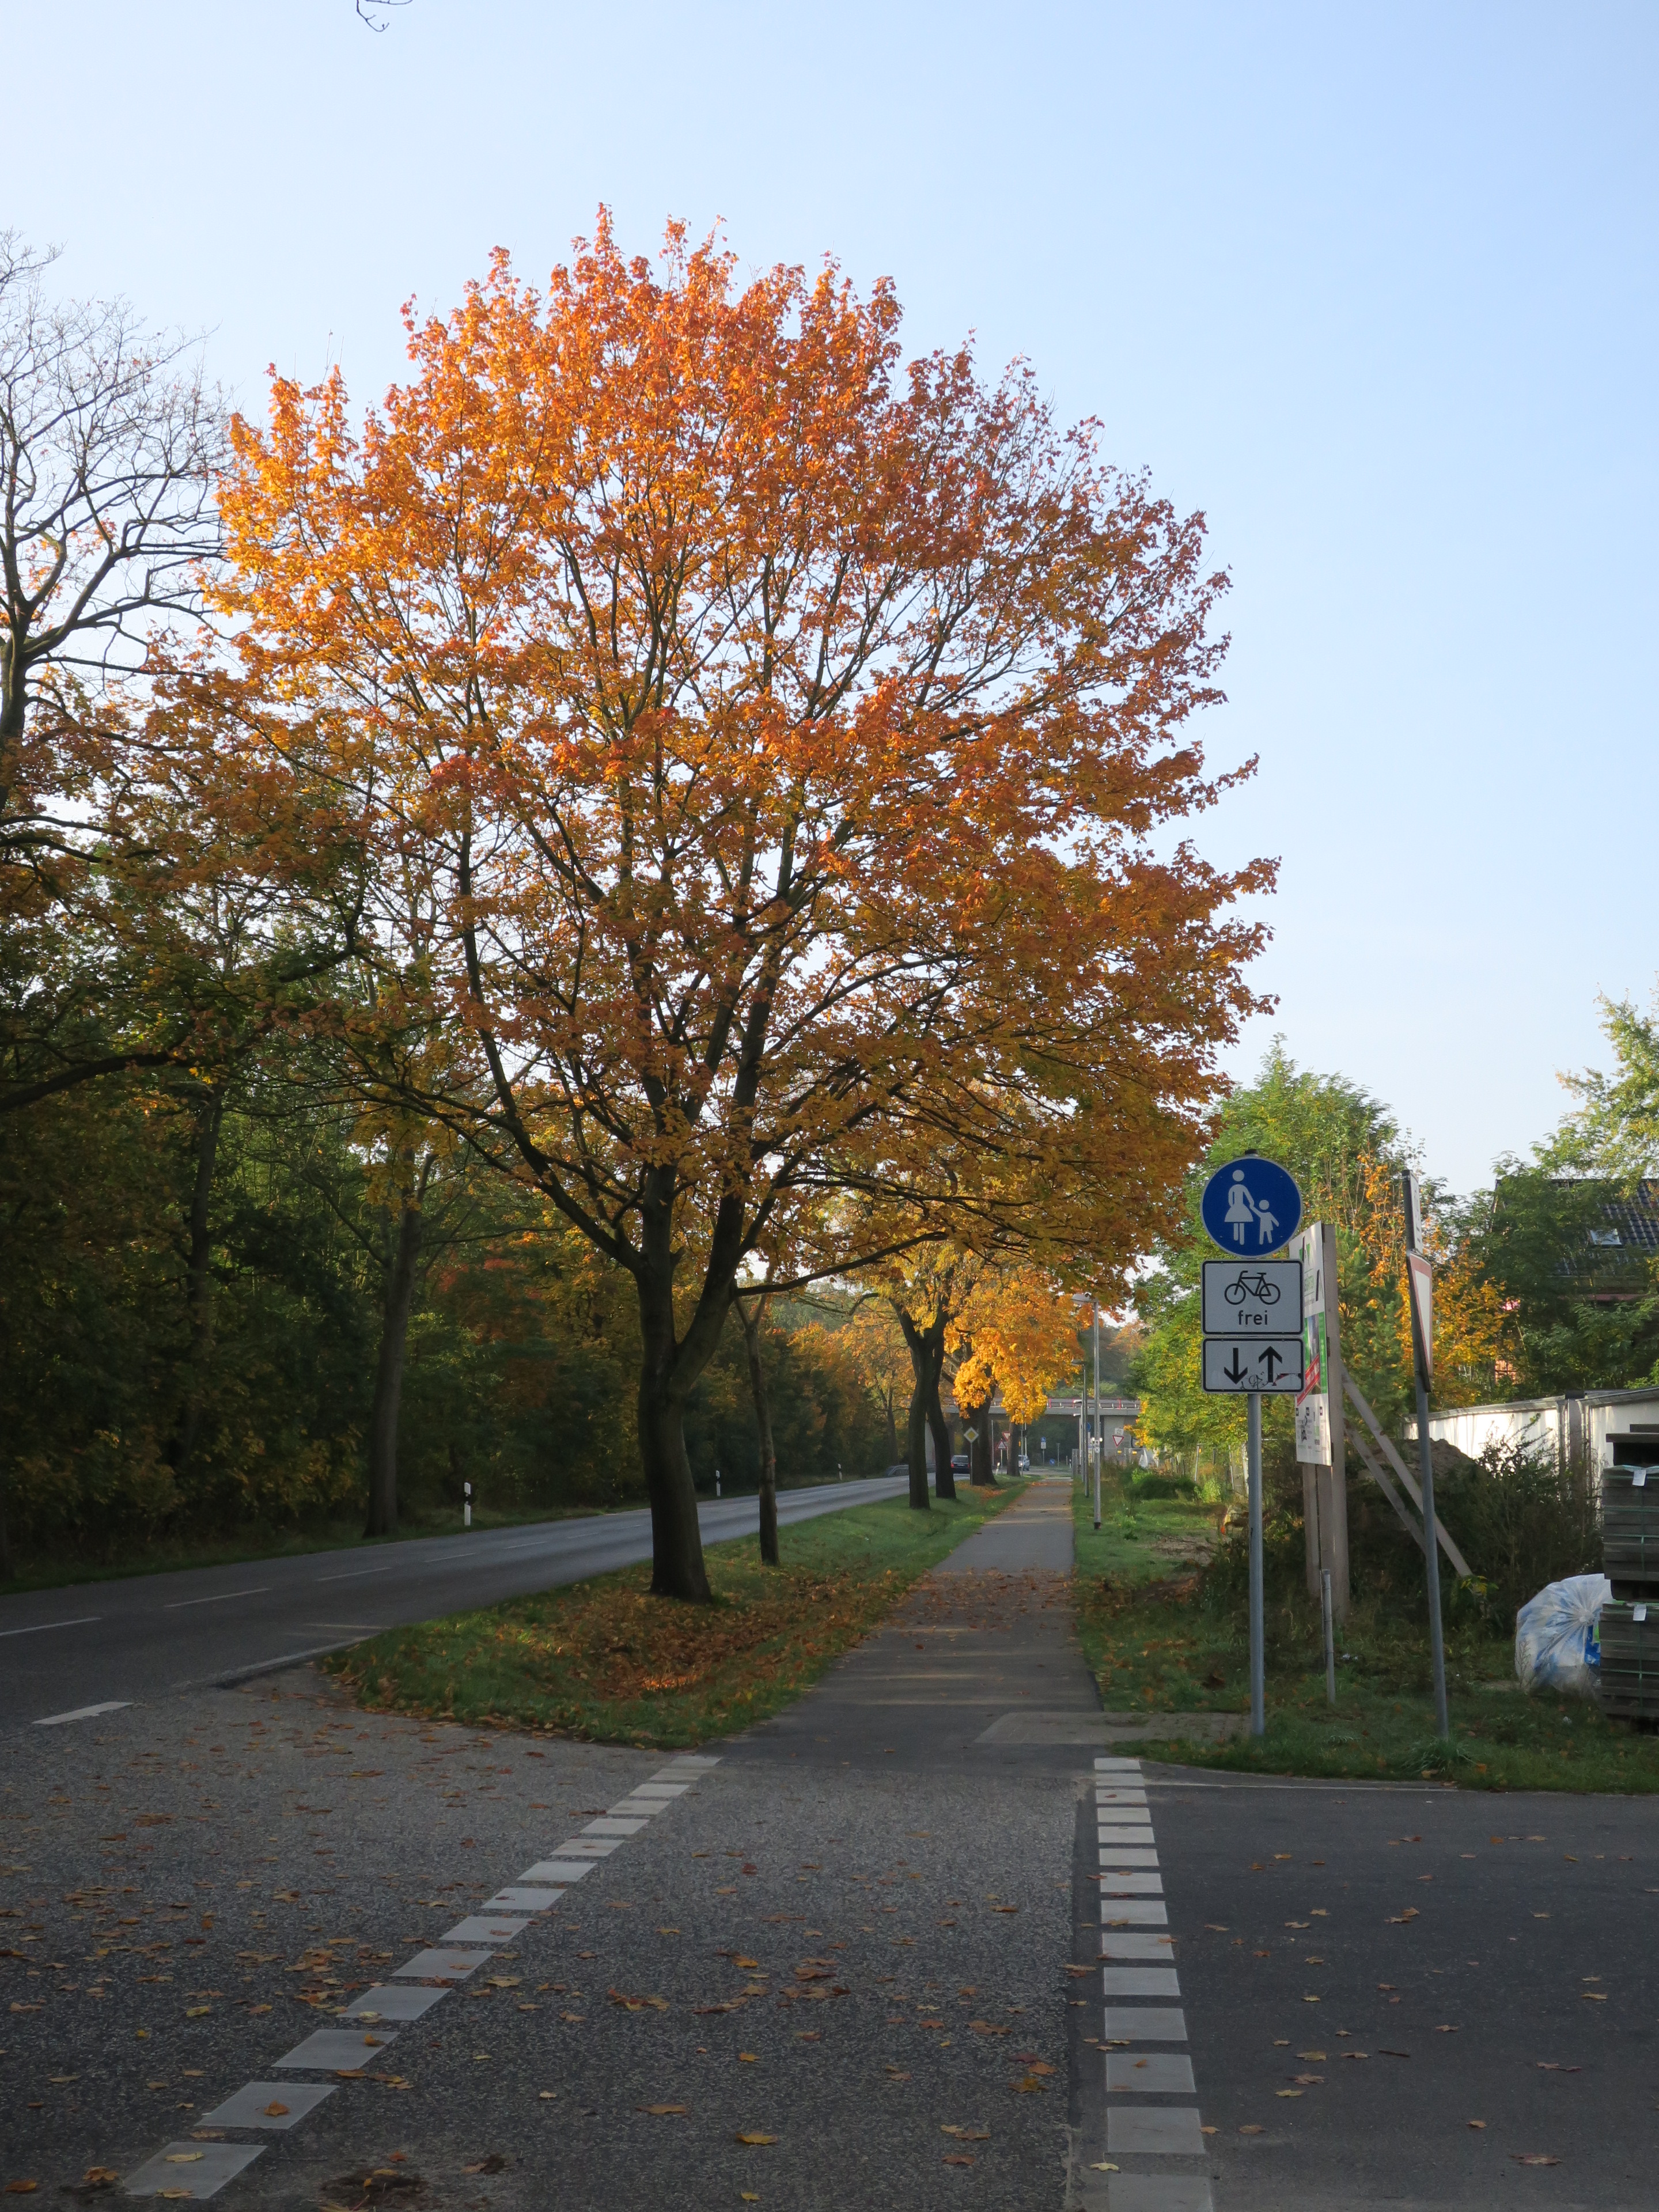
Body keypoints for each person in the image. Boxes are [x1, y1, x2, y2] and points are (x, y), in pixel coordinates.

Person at [1224, 1169, 1256, 1245]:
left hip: (1237, 1206)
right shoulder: (1240, 1188)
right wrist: (1251, 1202)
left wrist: (1232, 1206)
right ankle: (1237, 1239)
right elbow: (1248, 1197)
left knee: (1239, 1221)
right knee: (1238, 1221)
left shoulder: (1235, 1188)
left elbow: (1231, 1199)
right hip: (1239, 1206)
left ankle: (1240, 1240)